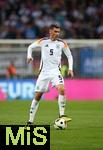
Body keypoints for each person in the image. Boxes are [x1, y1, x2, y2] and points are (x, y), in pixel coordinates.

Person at [27, 24, 74, 125]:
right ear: (50, 31)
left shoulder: (62, 43)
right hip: (44, 72)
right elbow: (30, 47)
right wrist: (29, 56)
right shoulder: (43, 41)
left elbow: (69, 56)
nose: (57, 33)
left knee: (62, 89)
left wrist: (70, 68)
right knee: (38, 96)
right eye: (56, 31)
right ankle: (30, 121)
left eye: (58, 32)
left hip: (55, 71)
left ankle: (62, 115)